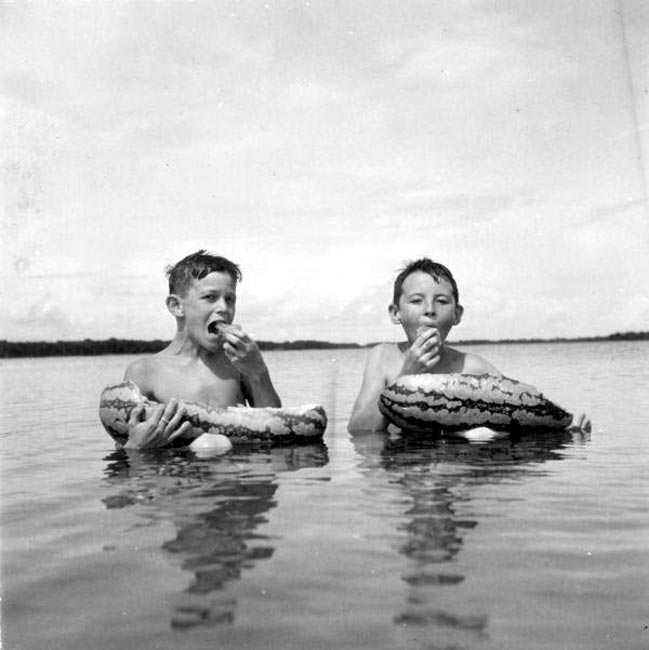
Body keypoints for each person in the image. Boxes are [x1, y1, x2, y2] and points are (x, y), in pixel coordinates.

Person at [348, 258, 590, 434]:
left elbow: (520, 414)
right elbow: (360, 431)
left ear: (457, 315)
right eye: (416, 301)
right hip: (402, 463)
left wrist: (567, 428)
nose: (429, 309)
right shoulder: (382, 357)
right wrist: (407, 375)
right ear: (395, 313)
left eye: (441, 301)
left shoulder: (474, 367)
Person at [122, 250, 281, 449]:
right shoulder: (144, 371)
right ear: (176, 306)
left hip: (236, 474)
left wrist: (259, 371)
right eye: (210, 297)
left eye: (230, 299)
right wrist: (135, 447)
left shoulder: (238, 362)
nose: (223, 308)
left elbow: (277, 430)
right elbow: (127, 445)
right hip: (179, 473)